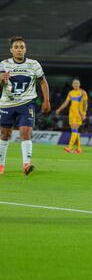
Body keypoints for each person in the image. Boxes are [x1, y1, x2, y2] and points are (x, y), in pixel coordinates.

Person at [0, 36, 51, 175]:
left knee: (25, 132)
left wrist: (46, 100)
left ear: (25, 49)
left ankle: (26, 165)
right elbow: (1, 84)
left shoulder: (34, 64)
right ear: (11, 50)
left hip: (27, 102)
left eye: (22, 47)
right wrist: (0, 79)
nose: (19, 49)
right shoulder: (4, 64)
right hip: (7, 103)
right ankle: (1, 166)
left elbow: (43, 82)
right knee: (5, 134)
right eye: (16, 47)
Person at [56, 78, 88, 154]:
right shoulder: (71, 93)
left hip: (79, 114)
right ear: (72, 85)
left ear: (79, 84)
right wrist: (59, 109)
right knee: (74, 131)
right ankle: (79, 149)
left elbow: (85, 104)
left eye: (77, 83)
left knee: (74, 129)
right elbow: (66, 102)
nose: (75, 85)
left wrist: (84, 113)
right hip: (71, 114)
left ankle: (69, 147)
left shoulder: (83, 92)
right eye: (74, 83)